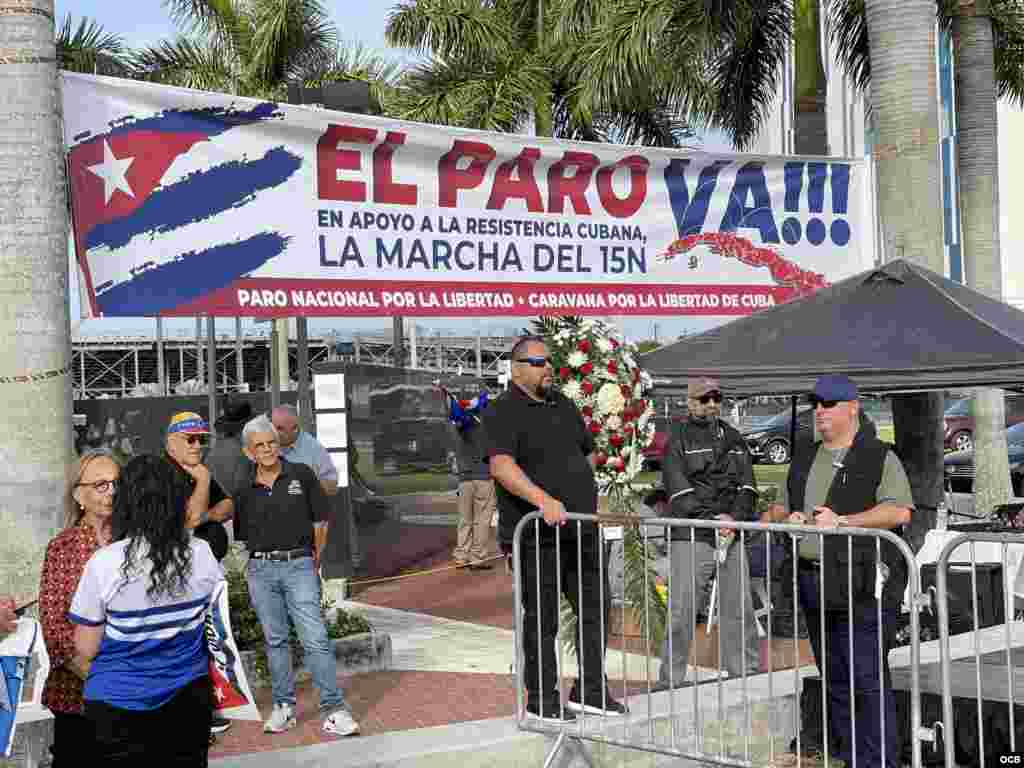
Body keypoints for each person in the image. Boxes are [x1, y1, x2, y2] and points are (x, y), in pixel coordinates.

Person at [761, 375, 913, 768]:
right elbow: (775, 509)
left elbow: (898, 511)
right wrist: (784, 519)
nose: (820, 411)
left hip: (863, 583)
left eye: (829, 403)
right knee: (835, 679)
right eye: (816, 403)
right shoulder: (805, 456)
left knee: (867, 678)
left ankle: (879, 761)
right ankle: (850, 757)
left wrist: (844, 521)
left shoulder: (880, 455)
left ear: (853, 407)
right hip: (813, 580)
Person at [484, 335, 626, 722]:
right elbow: (501, 465)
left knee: (596, 608)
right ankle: (543, 699)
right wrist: (543, 499)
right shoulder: (502, 410)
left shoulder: (562, 403)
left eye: (550, 362)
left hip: (580, 529)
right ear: (516, 369)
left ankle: (592, 691)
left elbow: (585, 453)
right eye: (537, 362)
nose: (548, 368)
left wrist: (596, 476)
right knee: (542, 618)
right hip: (536, 535)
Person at [69, 455, 222, 766]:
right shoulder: (202, 554)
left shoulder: (105, 563)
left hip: (117, 702)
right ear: (178, 501)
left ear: (126, 502)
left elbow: (85, 648)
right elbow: (214, 623)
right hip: (188, 698)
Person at [234, 414, 359, 738]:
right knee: (275, 641)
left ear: (279, 444)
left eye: (271, 442)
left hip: (299, 565)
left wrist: (311, 559)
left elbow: (321, 523)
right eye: (259, 445)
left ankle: (334, 710)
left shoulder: (301, 473)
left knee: (315, 639)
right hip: (260, 571)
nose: (267, 449)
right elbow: (243, 536)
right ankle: (283, 708)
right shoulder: (243, 488)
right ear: (249, 452)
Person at [656, 378, 760, 690]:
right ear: (689, 402)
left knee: (739, 607)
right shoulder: (677, 439)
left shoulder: (733, 437)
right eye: (704, 398)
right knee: (682, 611)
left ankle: (745, 673)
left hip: (731, 532)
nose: (712, 403)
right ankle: (670, 681)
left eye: (717, 397)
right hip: (692, 535)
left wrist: (733, 518)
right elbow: (678, 490)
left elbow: (748, 485)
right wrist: (712, 519)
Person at [38, 449, 119, 767]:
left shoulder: (132, 541)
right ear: (79, 495)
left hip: (130, 690)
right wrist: (95, 677)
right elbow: (55, 627)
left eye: (116, 483)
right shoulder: (64, 546)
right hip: (77, 694)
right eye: (101, 485)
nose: (111, 491)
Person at [163, 411, 234, 736]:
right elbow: (190, 521)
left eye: (201, 439)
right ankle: (194, 715)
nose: (197, 445)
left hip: (203, 574)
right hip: (177, 576)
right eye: (189, 439)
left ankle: (205, 708)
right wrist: (203, 483)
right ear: (171, 442)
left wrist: (208, 512)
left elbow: (228, 504)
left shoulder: (197, 469)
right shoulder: (166, 472)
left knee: (207, 639)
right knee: (186, 642)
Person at [271, 404, 349, 569]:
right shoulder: (267, 445)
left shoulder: (313, 449)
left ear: (293, 428)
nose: (274, 432)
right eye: (273, 427)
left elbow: (333, 486)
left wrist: (308, 482)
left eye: (278, 428)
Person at [449, 394, 496, 570]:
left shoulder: (462, 424)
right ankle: (477, 558)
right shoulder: (488, 426)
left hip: (464, 478)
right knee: (482, 519)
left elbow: (457, 417)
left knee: (464, 519)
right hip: (484, 476)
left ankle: (461, 555)